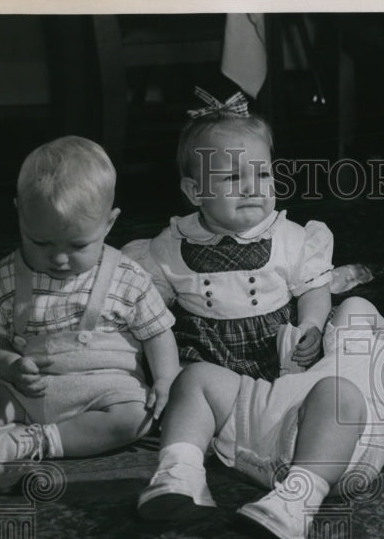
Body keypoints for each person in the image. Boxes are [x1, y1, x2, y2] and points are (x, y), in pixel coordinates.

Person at [135, 298, 384, 539]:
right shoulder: (359, 343)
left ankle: (298, 501)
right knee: (199, 377)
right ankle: (181, 470)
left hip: (334, 449)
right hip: (272, 411)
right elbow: (356, 306)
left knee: (338, 394)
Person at [0, 136, 179, 501]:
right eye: (40, 242)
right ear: (19, 212)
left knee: (136, 417)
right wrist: (8, 364)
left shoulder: (128, 276)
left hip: (100, 389)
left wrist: (166, 379)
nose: (59, 258)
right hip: (21, 391)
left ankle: (38, 442)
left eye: (78, 245)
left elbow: (157, 332)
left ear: (110, 222)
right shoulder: (4, 277)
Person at [125, 89, 332, 381]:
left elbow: (313, 288)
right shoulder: (172, 245)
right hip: (205, 354)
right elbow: (149, 305)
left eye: (262, 174)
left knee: (316, 378)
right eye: (233, 178)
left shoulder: (289, 237)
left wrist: (312, 323)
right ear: (195, 191)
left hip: (274, 351)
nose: (251, 188)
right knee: (186, 382)